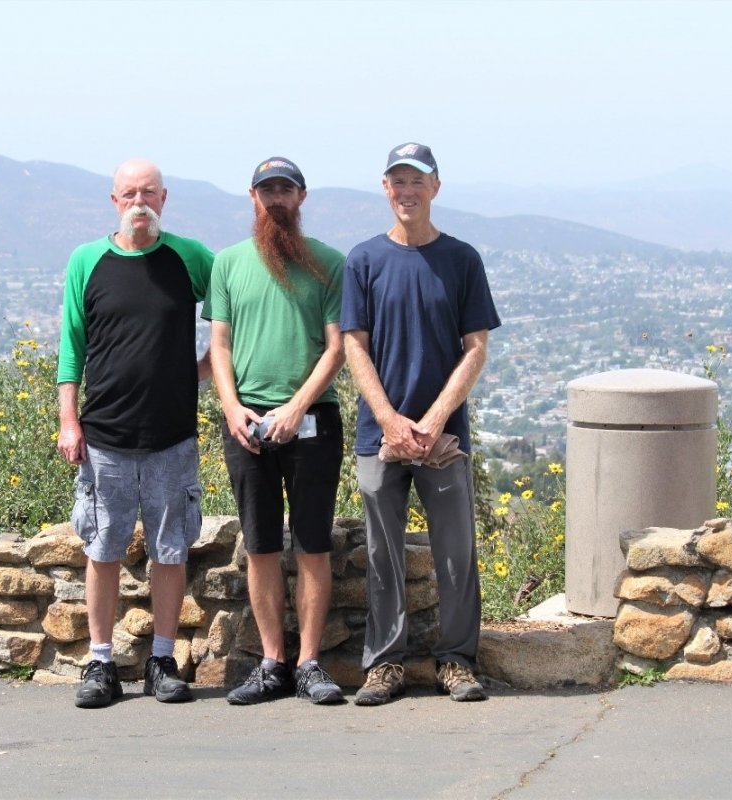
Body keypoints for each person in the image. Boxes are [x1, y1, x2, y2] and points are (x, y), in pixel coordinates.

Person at [340, 143, 501, 706]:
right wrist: (389, 420)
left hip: (444, 437)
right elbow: (354, 345)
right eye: (398, 181)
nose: (407, 191)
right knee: (381, 554)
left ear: (436, 187)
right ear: (386, 189)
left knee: (456, 553)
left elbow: (476, 347)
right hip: (378, 436)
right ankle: (385, 665)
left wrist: (433, 419)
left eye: (417, 180)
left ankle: (456, 661)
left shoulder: (462, 259)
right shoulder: (363, 260)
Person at [57, 158, 214, 709]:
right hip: (104, 437)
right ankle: (100, 662)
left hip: (172, 435)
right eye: (129, 193)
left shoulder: (190, 258)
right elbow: (72, 344)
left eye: (148, 192)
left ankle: (162, 662)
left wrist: (205, 368)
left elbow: (232, 310)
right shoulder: (86, 260)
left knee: (170, 550)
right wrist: (68, 419)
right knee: (102, 548)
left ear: (164, 199)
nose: (139, 202)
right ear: (114, 201)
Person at [203, 157, 347, 705]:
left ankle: (309, 663)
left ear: (301, 197)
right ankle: (272, 664)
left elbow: (336, 347)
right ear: (253, 197)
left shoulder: (329, 263)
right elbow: (219, 344)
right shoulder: (228, 263)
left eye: (286, 189)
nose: (276, 199)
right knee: (260, 544)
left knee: (313, 543)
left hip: (313, 420)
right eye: (268, 190)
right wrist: (231, 407)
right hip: (245, 423)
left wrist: (295, 407)